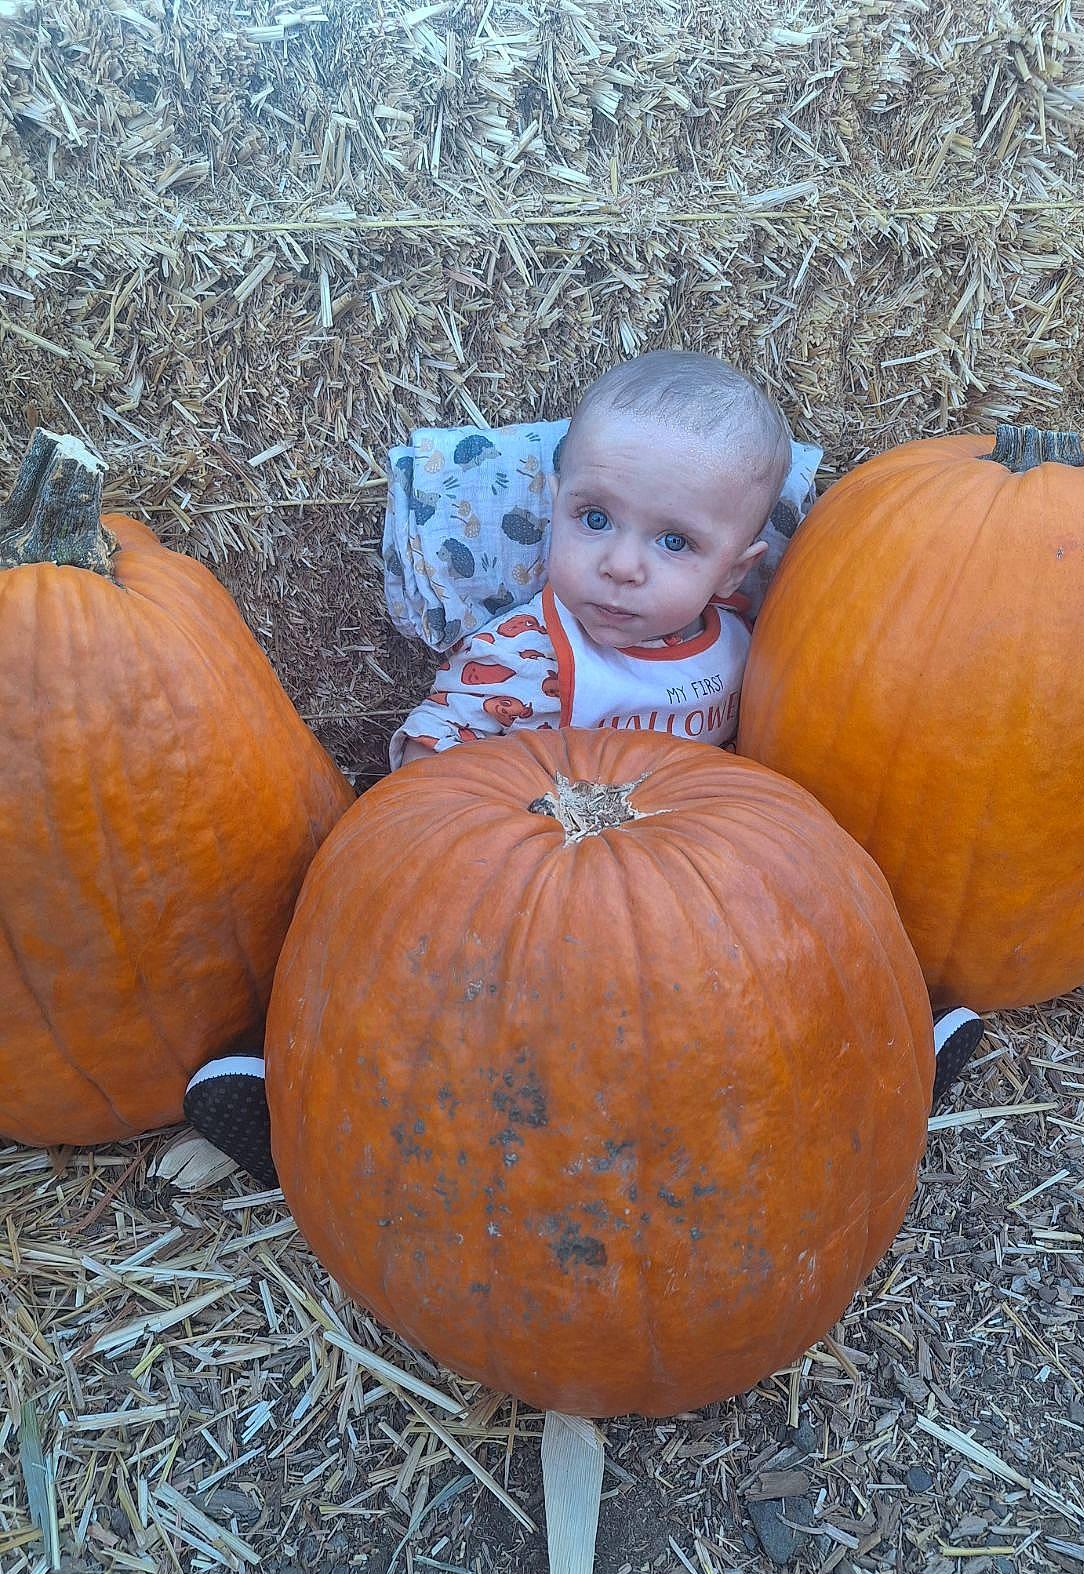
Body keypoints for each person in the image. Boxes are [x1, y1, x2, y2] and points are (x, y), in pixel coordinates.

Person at [184, 351, 982, 1184]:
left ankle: (883, 1068)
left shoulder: (750, 645)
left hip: (691, 902)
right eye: (594, 518)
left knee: (787, 968)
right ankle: (306, 1111)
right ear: (552, 504)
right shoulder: (526, 653)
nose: (622, 563)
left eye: (675, 541)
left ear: (735, 568)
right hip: (525, 909)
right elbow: (426, 778)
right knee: (429, 1018)